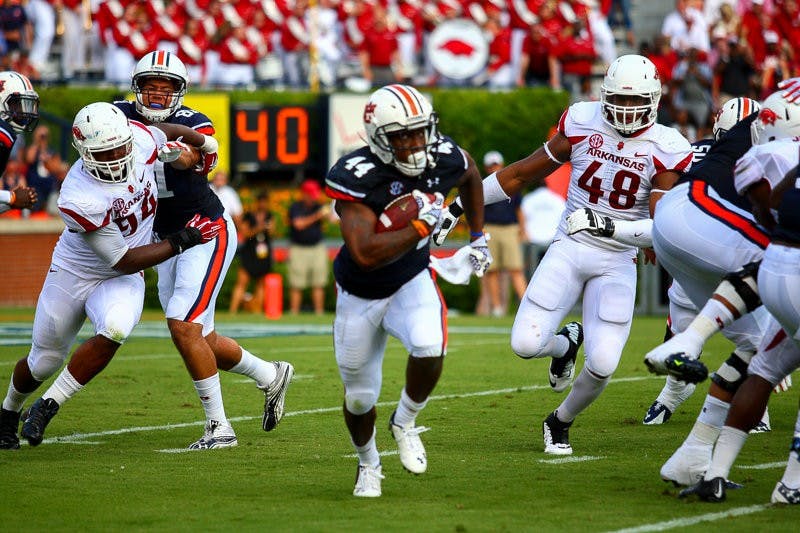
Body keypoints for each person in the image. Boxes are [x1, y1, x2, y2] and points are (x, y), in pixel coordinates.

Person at [434, 55, 693, 455]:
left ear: (653, 99)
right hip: (570, 247)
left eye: (634, 101)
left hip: (617, 259)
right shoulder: (582, 121)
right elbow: (521, 173)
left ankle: (560, 421)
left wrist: (608, 227)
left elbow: (662, 228)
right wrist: (462, 204)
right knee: (524, 344)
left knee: (604, 364)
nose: (625, 110)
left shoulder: (667, 146)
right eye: (618, 101)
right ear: (604, 97)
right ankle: (565, 345)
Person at [580, 91, 800, 486]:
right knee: (779, 266)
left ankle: (694, 454)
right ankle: (792, 482)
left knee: (757, 345)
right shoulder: (778, 150)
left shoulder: (735, 139)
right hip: (707, 222)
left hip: (675, 229)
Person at [0, 102, 223, 449]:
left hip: (120, 276)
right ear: (85, 152)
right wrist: (183, 239)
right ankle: (8, 411)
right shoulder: (79, 195)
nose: (118, 156)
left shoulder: (139, 138)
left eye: (121, 147)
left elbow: (171, 131)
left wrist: (205, 143)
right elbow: (122, 259)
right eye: (106, 152)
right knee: (44, 360)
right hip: (79, 269)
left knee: (116, 327)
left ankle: (49, 404)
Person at [116, 50, 294, 449]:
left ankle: (219, 427)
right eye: (151, 87)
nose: (158, 95)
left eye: (166, 88)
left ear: (179, 92)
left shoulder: (194, 122)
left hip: (205, 231)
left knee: (183, 323)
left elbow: (193, 156)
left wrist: (173, 149)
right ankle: (270, 375)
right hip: (165, 239)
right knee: (200, 335)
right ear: (137, 88)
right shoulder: (117, 113)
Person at [325, 84, 488, 497]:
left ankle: (405, 421)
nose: (415, 144)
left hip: (411, 278)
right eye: (402, 136)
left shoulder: (442, 155)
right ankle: (368, 464)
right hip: (359, 292)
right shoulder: (358, 174)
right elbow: (363, 252)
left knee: (430, 347)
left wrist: (478, 235)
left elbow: (470, 175)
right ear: (379, 136)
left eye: (420, 132)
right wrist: (420, 226)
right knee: (360, 398)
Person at [642, 97, 762, 427]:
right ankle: (676, 393)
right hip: (718, 243)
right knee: (758, 334)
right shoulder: (743, 154)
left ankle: (753, 399)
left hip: (696, 245)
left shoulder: (703, 150)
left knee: (753, 334)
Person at [480, 150, 527, 317]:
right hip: (489, 229)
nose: (494, 168)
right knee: (492, 270)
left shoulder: (512, 184)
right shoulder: (482, 185)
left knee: (516, 269)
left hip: (509, 229)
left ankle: (526, 305)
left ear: (501, 165)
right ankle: (497, 308)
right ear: (486, 168)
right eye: (491, 165)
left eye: (496, 165)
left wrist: (523, 230)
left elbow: (519, 209)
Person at [287, 179, 330, 315]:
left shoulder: (319, 206)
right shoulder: (295, 207)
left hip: (317, 247)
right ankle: (294, 312)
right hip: (298, 248)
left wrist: (329, 213)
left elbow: (333, 220)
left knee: (318, 283)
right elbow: (298, 224)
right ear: (304, 194)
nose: (313, 198)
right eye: (311, 195)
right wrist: (318, 216)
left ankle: (319, 312)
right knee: (296, 284)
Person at [0, 71, 38, 214]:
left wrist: (12, 203)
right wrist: (11, 197)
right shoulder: (3, 133)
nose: (23, 112)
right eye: (17, 105)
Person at [230, 191, 274, 314]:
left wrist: (269, 229)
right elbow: (244, 233)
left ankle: (257, 310)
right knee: (241, 282)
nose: (264, 205)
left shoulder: (270, 216)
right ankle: (233, 310)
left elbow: (273, 233)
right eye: (262, 202)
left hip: (263, 254)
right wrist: (257, 229)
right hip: (249, 252)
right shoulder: (248, 216)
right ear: (257, 202)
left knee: (261, 284)